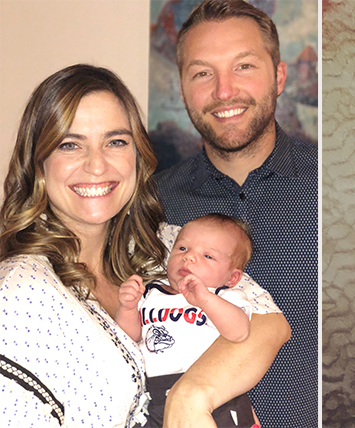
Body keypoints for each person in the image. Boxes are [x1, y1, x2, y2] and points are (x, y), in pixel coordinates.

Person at [0, 64, 289, 428]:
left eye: (116, 141)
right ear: (38, 163)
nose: (96, 165)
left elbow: (270, 322)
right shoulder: (20, 292)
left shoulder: (167, 245)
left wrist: (190, 396)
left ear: (137, 154)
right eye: (70, 144)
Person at [154, 1, 318, 427]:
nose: (224, 91)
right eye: (202, 73)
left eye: (243, 66)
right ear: (183, 87)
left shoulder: (331, 188)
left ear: (279, 77)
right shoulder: (152, 203)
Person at [117, 213, 264, 428]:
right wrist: (128, 307)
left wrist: (205, 299)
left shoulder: (223, 297)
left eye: (208, 256)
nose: (189, 257)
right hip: (155, 394)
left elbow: (239, 332)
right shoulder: (151, 294)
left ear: (232, 277)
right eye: (182, 248)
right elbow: (130, 337)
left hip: (214, 392)